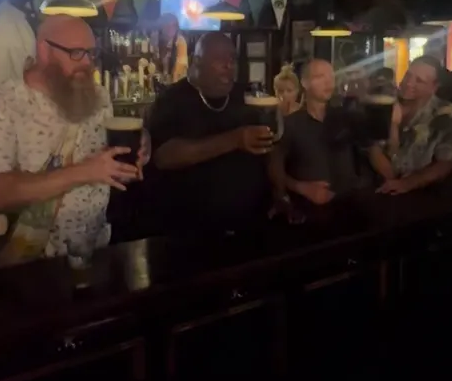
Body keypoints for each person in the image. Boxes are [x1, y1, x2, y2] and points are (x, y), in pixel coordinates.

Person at [0, 15, 144, 265]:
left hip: (96, 248)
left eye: (91, 53)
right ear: (44, 50)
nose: (87, 63)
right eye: (77, 53)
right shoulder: (5, 103)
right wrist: (82, 172)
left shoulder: (98, 96)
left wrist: (133, 155)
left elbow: (106, 161)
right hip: (31, 263)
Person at [147, 32, 283, 230]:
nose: (229, 65)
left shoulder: (245, 96)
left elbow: (271, 147)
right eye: (220, 59)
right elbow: (164, 156)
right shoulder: (171, 100)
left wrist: (280, 192)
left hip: (251, 223)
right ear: (197, 61)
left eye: (232, 59)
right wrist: (235, 139)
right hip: (190, 228)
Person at [273, 59, 366, 207]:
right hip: (308, 209)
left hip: (351, 206)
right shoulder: (290, 124)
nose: (328, 82)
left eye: (331, 76)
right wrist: (301, 187)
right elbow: (273, 168)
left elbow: (371, 151)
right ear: (305, 82)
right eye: (320, 76)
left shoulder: (346, 118)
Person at [369, 55, 452, 195]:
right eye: (408, 75)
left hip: (427, 195)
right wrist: (393, 126)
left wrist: (409, 183)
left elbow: (446, 164)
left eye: (419, 81)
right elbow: (376, 153)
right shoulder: (385, 103)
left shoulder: (447, 114)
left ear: (434, 87)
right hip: (382, 191)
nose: (409, 83)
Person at [153, 13, 189, 83]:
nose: (170, 28)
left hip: (178, 81)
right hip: (163, 80)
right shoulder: (156, 40)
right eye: (167, 25)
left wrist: (173, 86)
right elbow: (155, 64)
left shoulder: (180, 41)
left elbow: (179, 67)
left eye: (173, 26)